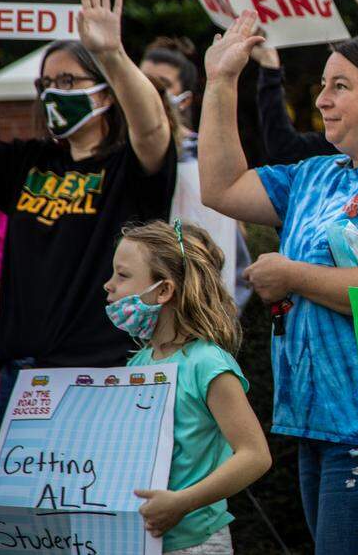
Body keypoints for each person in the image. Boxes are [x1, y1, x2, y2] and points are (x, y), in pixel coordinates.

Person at [198, 14, 358, 555]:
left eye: (339, 86)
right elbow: (221, 187)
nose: (321, 99)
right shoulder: (319, 173)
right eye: (322, 85)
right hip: (321, 423)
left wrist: (291, 274)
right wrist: (222, 82)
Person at [0, 0, 176, 417]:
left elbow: (153, 128)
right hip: (20, 374)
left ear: (105, 92)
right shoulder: (28, 163)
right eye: (46, 85)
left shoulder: (128, 169)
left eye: (68, 81)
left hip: (99, 374)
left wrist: (110, 55)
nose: (54, 93)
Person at [104, 219, 271, 554]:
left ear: (163, 290)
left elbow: (255, 456)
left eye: (122, 275)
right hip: (140, 542)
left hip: (197, 543)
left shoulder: (207, 363)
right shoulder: (138, 364)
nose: (109, 285)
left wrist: (181, 502)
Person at [142, 37, 252, 312]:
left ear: (185, 99)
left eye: (162, 85)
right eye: (142, 81)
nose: (149, 91)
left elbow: (228, 255)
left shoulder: (205, 159)